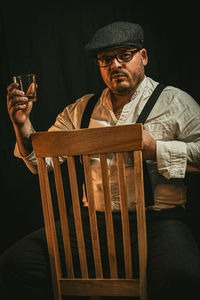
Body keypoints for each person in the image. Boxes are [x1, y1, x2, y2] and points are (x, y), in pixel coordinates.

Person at [1, 21, 200, 300]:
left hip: (158, 222)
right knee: (15, 264)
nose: (115, 64)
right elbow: (40, 162)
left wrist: (156, 149)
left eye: (125, 55)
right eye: (106, 59)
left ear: (143, 57)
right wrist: (22, 126)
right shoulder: (80, 110)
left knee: (183, 276)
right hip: (90, 224)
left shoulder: (175, 102)